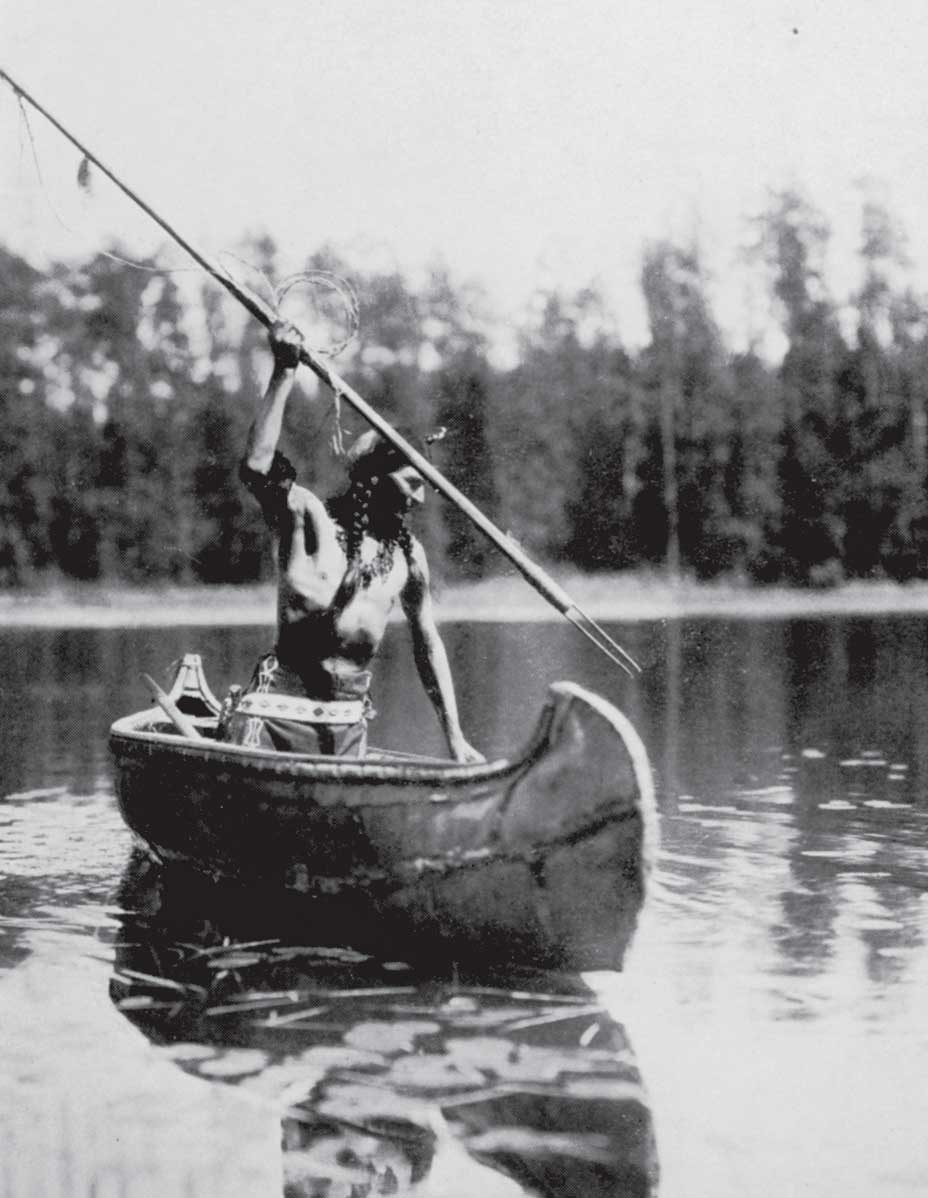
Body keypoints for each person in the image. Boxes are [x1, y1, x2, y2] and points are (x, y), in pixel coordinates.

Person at [222, 320, 483, 763]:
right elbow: (256, 465)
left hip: (345, 727)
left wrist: (455, 738)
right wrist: (284, 371)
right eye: (411, 484)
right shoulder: (306, 518)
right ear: (374, 481)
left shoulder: (406, 557)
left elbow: (428, 645)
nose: (419, 499)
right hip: (275, 720)